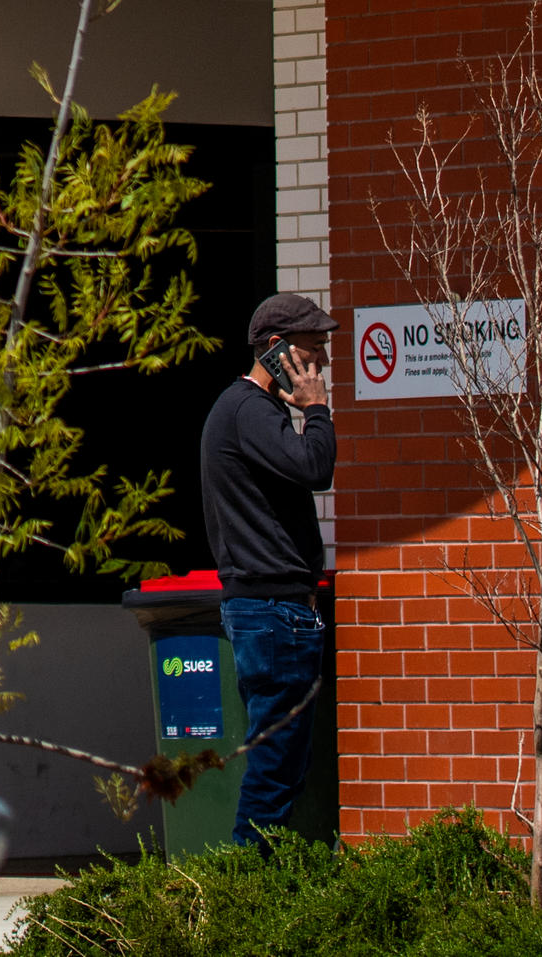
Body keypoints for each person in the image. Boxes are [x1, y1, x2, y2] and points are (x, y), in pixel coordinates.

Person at [199, 291, 339, 848]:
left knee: (281, 769)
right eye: (312, 349)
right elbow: (316, 466)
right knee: (274, 773)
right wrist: (316, 409)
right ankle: (243, 884)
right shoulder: (249, 411)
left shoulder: (251, 412)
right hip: (274, 613)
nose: (321, 362)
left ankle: (255, 881)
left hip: (272, 613)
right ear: (277, 349)